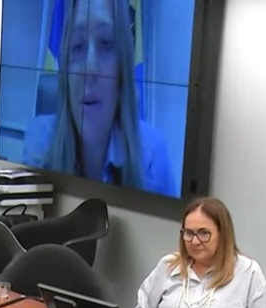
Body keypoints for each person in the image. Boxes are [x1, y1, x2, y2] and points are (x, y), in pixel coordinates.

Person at [20, 0, 175, 197]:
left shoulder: (152, 156)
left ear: (122, 68)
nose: (90, 68)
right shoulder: (39, 145)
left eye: (106, 44)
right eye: (78, 46)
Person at [129, 197, 266, 308]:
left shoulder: (249, 273)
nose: (194, 241)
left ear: (223, 234)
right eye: (188, 233)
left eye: (203, 233)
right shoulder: (169, 265)